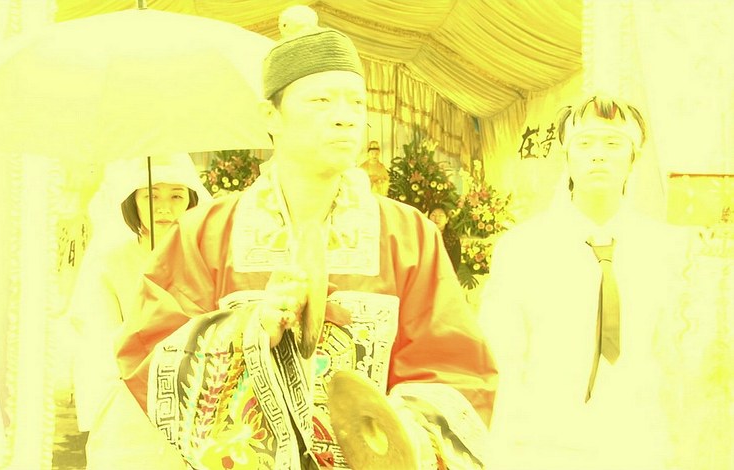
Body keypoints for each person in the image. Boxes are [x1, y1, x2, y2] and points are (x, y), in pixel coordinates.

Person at [116, 6, 496, 469]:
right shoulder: (207, 232)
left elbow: (454, 365)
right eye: (321, 101)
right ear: (271, 115)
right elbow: (149, 347)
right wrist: (248, 328)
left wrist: (399, 432)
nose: (345, 118)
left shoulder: (408, 234)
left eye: (357, 103)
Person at [478, 96, 686, 469]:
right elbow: (502, 359)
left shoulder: (668, 250)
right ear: (567, 156)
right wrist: (500, 455)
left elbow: (677, 362)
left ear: (634, 158)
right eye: (585, 143)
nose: (598, 155)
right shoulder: (522, 248)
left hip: (642, 447)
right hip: (543, 448)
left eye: (613, 143)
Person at [68, 154, 210, 469]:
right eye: (151, 196)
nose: (164, 207)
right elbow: (102, 341)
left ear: (191, 201)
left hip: (197, 406)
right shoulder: (110, 264)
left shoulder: (205, 262)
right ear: (133, 201)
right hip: (130, 406)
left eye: (176, 196)